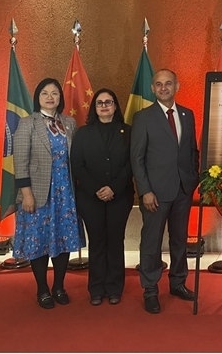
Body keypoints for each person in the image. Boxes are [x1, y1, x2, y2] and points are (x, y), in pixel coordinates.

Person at [131, 69, 199, 314]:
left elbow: (191, 151)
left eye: (168, 83)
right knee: (152, 242)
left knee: (179, 240)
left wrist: (193, 180)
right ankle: (150, 289)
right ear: (152, 88)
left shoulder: (187, 115)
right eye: (158, 84)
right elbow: (136, 158)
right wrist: (145, 191)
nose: (163, 88)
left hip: (183, 190)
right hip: (155, 194)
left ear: (176, 86)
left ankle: (178, 283)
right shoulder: (143, 117)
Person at [13, 77, 83, 309]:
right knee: (39, 241)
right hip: (38, 194)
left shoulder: (69, 122)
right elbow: (20, 161)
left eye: (54, 93)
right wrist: (27, 194)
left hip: (66, 194)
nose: (50, 97)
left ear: (60, 97)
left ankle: (59, 286)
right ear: (38, 97)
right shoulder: (27, 123)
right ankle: (42, 289)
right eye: (45, 93)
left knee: (63, 240)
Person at [70, 88, 134, 306]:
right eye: (100, 103)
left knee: (115, 241)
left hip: (120, 196)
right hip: (90, 198)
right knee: (96, 242)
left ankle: (115, 288)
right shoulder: (82, 134)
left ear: (115, 106)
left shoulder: (128, 132)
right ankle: (96, 289)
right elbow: (77, 165)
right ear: (94, 108)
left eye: (109, 102)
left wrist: (113, 188)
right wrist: (96, 189)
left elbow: (131, 164)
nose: (104, 106)